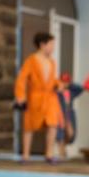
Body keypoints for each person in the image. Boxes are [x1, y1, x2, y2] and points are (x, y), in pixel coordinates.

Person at [14, 32, 61, 163]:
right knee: (29, 126)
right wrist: (20, 96)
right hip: (35, 97)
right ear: (42, 45)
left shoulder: (52, 62)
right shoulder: (31, 60)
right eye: (51, 44)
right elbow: (21, 79)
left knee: (53, 124)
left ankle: (49, 154)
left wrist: (58, 84)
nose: (53, 48)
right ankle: (26, 155)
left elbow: (52, 80)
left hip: (50, 98)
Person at [56, 72, 83, 159]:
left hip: (69, 113)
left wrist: (71, 84)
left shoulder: (71, 92)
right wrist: (58, 87)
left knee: (71, 134)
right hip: (60, 113)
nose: (65, 84)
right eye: (63, 82)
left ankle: (64, 148)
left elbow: (80, 89)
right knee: (60, 133)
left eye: (67, 82)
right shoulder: (58, 92)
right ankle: (62, 152)